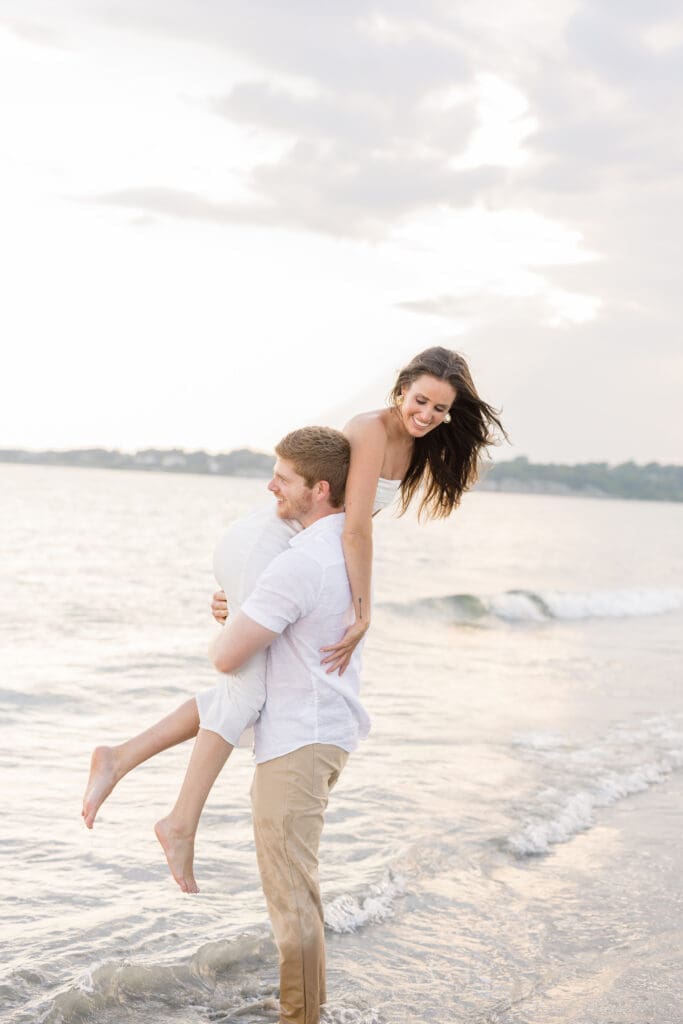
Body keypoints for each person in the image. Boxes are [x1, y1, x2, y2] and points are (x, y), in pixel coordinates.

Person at [82, 347, 505, 893]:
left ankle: (123, 761)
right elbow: (354, 530)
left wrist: (253, 591)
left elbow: (341, 531)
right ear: (401, 389)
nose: (427, 415)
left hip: (279, 551)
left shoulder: (416, 443)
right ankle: (177, 821)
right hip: (271, 540)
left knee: (244, 690)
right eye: (420, 400)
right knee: (244, 692)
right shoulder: (371, 428)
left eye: (440, 409)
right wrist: (362, 610)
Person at [207, 426, 368, 1024]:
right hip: (322, 734)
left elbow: (226, 658)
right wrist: (239, 606)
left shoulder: (301, 563)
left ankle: (301, 1018)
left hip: (299, 740)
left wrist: (227, 620)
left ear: (318, 489)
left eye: (284, 477)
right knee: (300, 887)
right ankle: (308, 1008)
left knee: (290, 896)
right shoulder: (345, 549)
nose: (271, 485)